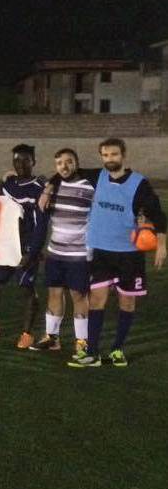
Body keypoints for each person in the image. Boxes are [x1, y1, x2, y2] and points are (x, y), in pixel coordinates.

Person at [65, 138, 166, 367]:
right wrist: (47, 186)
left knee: (127, 302)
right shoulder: (96, 176)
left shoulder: (139, 184)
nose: (109, 159)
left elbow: (158, 214)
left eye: (114, 154)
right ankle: (92, 352)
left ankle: (117, 350)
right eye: (105, 155)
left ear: (123, 155)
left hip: (129, 254)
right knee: (96, 299)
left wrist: (161, 244)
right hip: (101, 251)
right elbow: (67, 173)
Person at [0, 144, 47, 348]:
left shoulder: (39, 188)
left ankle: (27, 333)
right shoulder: (7, 185)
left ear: (33, 162)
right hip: (4, 246)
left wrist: (33, 251)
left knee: (26, 288)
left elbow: (41, 224)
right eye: (16, 160)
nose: (20, 164)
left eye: (25, 160)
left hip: (25, 249)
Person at [30, 148, 93, 354]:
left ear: (76, 162)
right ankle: (52, 338)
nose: (64, 166)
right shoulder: (52, 187)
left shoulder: (89, 186)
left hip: (79, 254)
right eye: (59, 163)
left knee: (78, 296)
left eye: (68, 161)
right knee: (54, 293)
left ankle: (82, 341)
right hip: (55, 252)